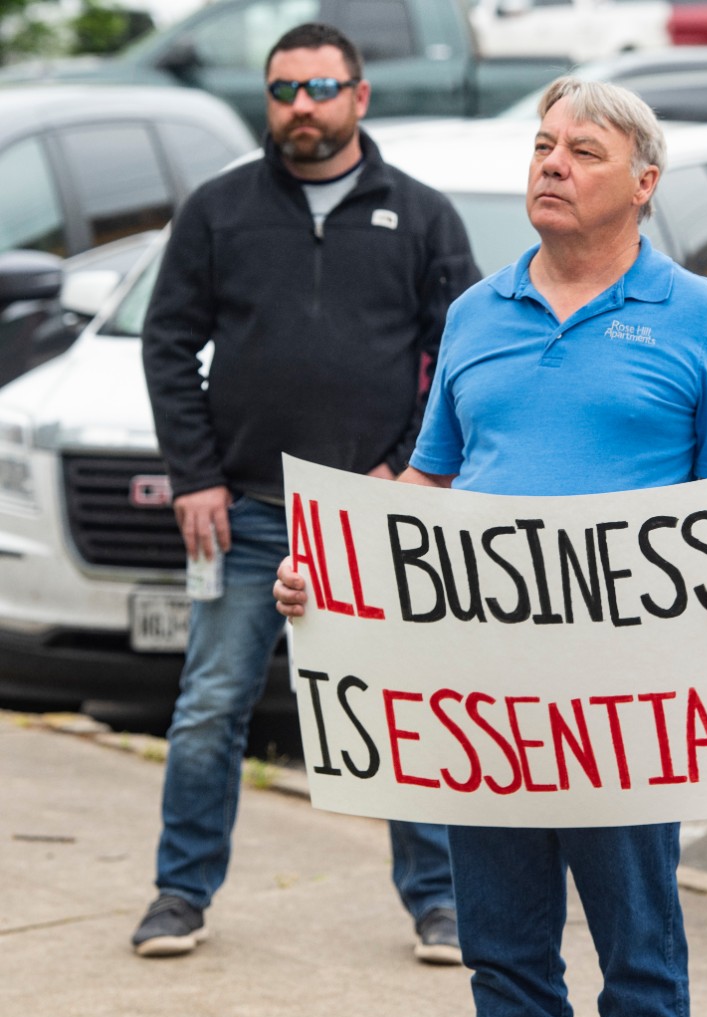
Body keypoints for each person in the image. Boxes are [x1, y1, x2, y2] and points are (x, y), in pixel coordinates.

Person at [276, 77, 707, 1017]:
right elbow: (432, 480)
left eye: (583, 153)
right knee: (504, 957)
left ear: (644, 183)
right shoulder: (476, 312)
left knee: (639, 960)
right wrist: (336, 559)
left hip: (630, 697)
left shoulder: (696, 315)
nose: (553, 164)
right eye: (544, 146)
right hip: (490, 697)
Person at [134, 22, 478, 962]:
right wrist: (195, 474)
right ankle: (179, 892)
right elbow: (167, 344)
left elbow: (461, 360)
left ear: (360, 97)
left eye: (321, 87)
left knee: (407, 711)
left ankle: (440, 902)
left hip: (375, 518)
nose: (300, 106)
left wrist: (407, 470)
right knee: (210, 706)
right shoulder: (216, 211)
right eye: (284, 89)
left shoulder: (422, 216)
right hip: (244, 512)